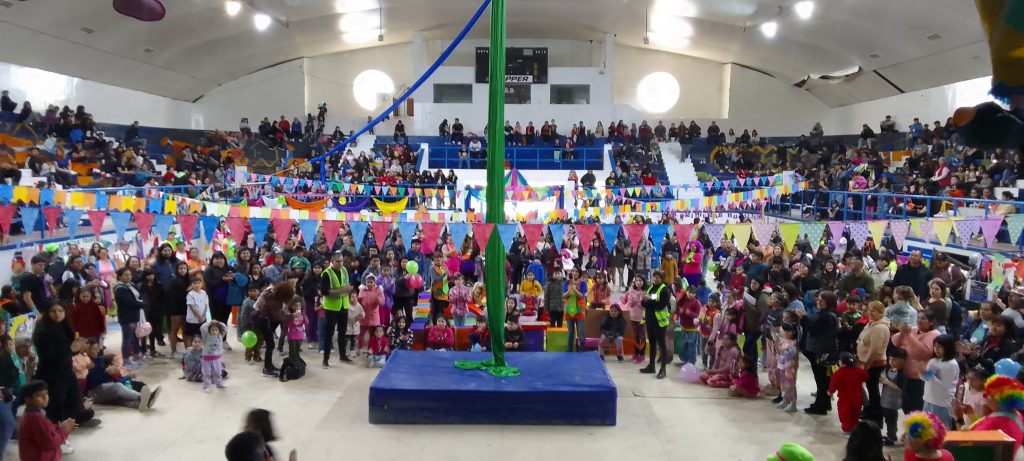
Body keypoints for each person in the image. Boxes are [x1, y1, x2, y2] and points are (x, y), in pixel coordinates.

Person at [32, 303, 97, 440]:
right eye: (53, 311)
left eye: (60, 311)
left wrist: (77, 348)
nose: (57, 314)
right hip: (52, 374)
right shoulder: (43, 331)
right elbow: (50, 357)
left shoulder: (64, 326)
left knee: (75, 400)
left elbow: (69, 349)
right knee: (55, 406)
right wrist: (70, 350)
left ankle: (72, 420)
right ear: (47, 313)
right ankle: (55, 436)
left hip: (67, 370)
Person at [797, 290, 840, 415]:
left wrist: (804, 317)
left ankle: (821, 405)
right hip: (816, 349)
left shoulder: (828, 316)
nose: (819, 302)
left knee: (822, 380)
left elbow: (813, 329)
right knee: (821, 379)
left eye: (822, 300)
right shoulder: (822, 313)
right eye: (818, 300)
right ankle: (823, 403)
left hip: (822, 351)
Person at [892, 312, 940, 415]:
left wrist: (908, 335)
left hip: (921, 378)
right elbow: (895, 341)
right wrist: (902, 333)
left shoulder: (935, 334)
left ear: (931, 322)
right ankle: (909, 427)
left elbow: (923, 353)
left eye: (923, 318)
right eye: (918, 318)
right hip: (905, 374)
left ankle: (916, 429)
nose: (919, 320)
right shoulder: (913, 330)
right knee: (906, 406)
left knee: (917, 407)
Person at [18, 380, 77, 461]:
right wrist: (64, 430)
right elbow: (50, 442)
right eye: (38, 395)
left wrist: (59, 427)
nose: (45, 397)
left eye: (46, 393)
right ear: (27, 399)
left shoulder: (34, 414)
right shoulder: (35, 417)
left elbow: (45, 432)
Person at [969, 376, 1024, 456]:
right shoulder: (1017, 415)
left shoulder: (997, 420)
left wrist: (959, 419)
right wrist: (971, 415)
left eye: (988, 394)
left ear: (999, 399)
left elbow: (968, 443)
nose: (985, 397)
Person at [857, 301, 890, 425]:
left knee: (873, 390)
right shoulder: (872, 324)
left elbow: (875, 349)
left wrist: (867, 364)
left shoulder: (880, 327)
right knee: (871, 389)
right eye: (868, 310)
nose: (870, 313)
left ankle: (876, 416)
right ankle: (871, 411)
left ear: (881, 312)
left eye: (873, 311)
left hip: (874, 363)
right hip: (866, 361)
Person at [254, 282, 297, 376]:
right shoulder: (274, 302)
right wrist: (293, 316)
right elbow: (279, 317)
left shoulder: (271, 294)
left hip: (263, 319)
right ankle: (266, 368)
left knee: (271, 344)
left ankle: (269, 365)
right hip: (262, 321)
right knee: (270, 344)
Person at [320, 252, 353, 368]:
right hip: (331, 308)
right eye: (338, 261)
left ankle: (343, 355)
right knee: (329, 334)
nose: (340, 263)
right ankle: (325, 359)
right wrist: (343, 290)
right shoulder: (326, 274)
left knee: (343, 333)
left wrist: (348, 291)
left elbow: (347, 286)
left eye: (342, 261)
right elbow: (324, 292)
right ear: (332, 262)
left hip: (343, 306)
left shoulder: (345, 270)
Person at [640, 270, 672, 379]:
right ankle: (651, 366)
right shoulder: (650, 288)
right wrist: (645, 301)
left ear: (662, 279)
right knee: (652, 344)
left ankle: (663, 369)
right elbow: (643, 303)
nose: (655, 279)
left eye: (658, 277)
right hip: (650, 320)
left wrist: (648, 301)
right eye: (654, 277)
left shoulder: (665, 290)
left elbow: (660, 305)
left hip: (660, 322)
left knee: (662, 345)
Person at [923, 334, 959, 427]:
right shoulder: (933, 360)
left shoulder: (952, 364)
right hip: (928, 399)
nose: (936, 349)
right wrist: (920, 372)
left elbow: (944, 386)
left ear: (948, 348)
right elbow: (927, 378)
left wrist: (928, 373)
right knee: (927, 429)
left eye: (940, 347)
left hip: (941, 402)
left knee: (942, 430)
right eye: (935, 346)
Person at [829, 352, 869, 435]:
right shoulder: (859, 371)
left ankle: (847, 430)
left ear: (842, 363)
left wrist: (830, 392)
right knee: (855, 414)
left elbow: (833, 385)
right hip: (858, 398)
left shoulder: (838, 374)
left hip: (845, 399)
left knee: (845, 415)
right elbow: (866, 377)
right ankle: (855, 428)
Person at [113, 267, 145, 366]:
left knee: (135, 337)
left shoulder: (131, 285)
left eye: (129, 275)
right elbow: (129, 302)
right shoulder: (119, 288)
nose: (128, 277)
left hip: (135, 314)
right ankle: (126, 360)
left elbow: (138, 297)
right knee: (127, 339)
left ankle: (136, 355)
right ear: (120, 277)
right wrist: (144, 304)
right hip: (126, 317)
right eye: (125, 275)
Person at [880, 348, 907, 446]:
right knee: (888, 419)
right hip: (886, 399)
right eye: (890, 359)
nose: (891, 362)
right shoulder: (891, 369)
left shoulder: (902, 373)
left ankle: (891, 437)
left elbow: (901, 388)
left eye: (894, 360)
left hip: (893, 401)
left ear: (903, 360)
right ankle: (890, 435)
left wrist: (886, 382)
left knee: (891, 419)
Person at [563, 267, 588, 352]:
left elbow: (582, 296)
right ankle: (569, 349)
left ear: (579, 273)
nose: (575, 273)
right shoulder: (566, 282)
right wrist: (569, 291)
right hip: (569, 309)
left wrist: (574, 290)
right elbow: (563, 296)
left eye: (576, 271)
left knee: (581, 332)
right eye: (573, 271)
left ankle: (582, 350)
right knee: (570, 332)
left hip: (579, 310)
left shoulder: (583, 283)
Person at [776, 323, 800, 413]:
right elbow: (779, 350)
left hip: (790, 367)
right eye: (784, 330)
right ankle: (785, 400)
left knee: (790, 385)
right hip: (782, 365)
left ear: (793, 332)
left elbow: (791, 354)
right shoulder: (783, 340)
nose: (786, 333)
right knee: (783, 384)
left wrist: (783, 351)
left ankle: (793, 404)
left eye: (788, 331)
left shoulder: (794, 343)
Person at [623, 276, 646, 363]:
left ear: (643, 282)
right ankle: (636, 354)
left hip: (642, 317)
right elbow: (631, 304)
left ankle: (642, 355)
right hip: (633, 316)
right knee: (635, 336)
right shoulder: (631, 291)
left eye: (640, 280)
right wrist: (634, 297)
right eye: (637, 280)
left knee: (642, 336)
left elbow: (644, 306)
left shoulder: (645, 292)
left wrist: (640, 299)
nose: (638, 282)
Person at [200, 319, 228, 392]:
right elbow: (202, 327)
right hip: (206, 358)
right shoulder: (206, 336)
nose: (214, 332)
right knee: (207, 373)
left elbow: (224, 327)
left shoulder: (220, 335)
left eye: (216, 330)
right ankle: (206, 386)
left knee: (218, 372)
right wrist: (210, 322)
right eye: (212, 330)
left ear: (219, 331)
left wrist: (218, 322)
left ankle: (219, 384)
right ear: (209, 331)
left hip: (216, 358)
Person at [185, 276, 209, 347]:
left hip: (202, 319)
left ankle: (199, 350)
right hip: (192, 319)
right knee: (190, 336)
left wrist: (204, 316)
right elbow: (192, 307)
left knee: (200, 336)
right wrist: (199, 316)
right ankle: (189, 351)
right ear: (191, 285)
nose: (197, 285)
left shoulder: (204, 293)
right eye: (194, 283)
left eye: (198, 283)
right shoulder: (190, 294)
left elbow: (206, 305)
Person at [284, 298, 307, 362]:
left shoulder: (302, 314)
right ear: (291, 306)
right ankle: (292, 362)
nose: (297, 307)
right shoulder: (290, 315)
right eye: (295, 306)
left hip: (300, 335)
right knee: (292, 350)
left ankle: (297, 361)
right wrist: (294, 316)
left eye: (299, 306)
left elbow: (307, 322)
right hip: (292, 336)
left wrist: (303, 316)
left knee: (297, 349)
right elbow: (289, 325)